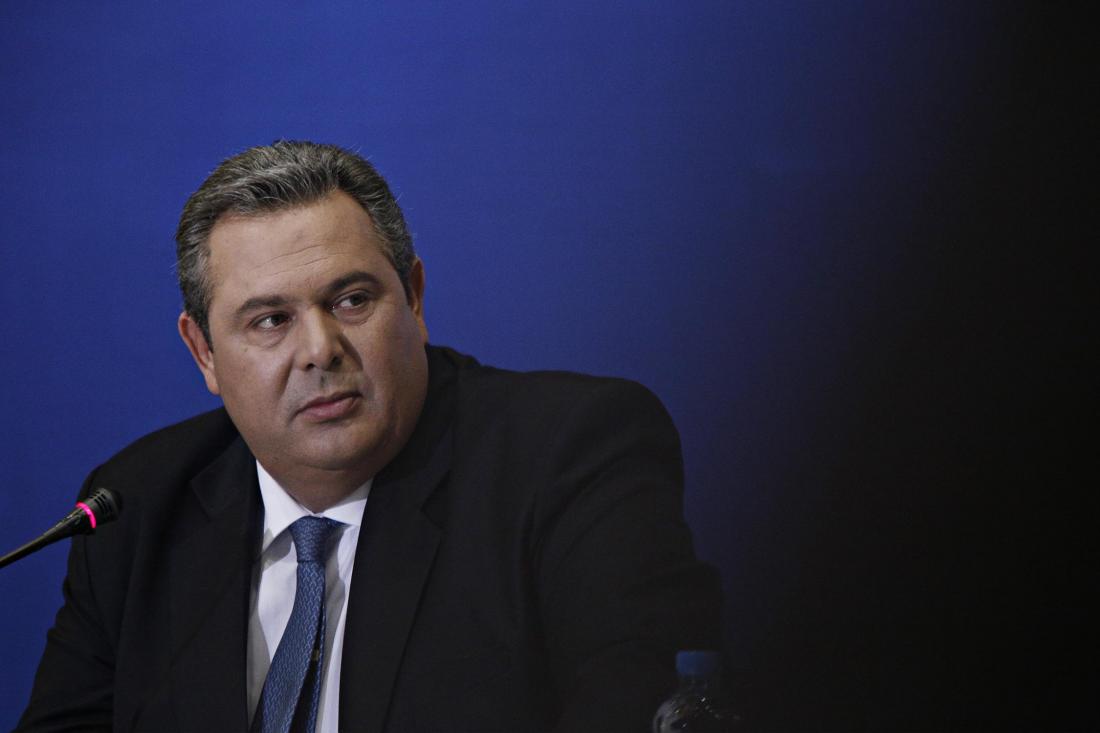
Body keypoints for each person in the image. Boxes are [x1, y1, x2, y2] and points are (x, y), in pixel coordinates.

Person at [17, 141, 722, 732]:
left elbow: (635, 708)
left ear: (413, 298)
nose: (319, 349)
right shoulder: (135, 507)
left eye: (351, 300)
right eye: (270, 320)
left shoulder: (569, 457)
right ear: (203, 352)